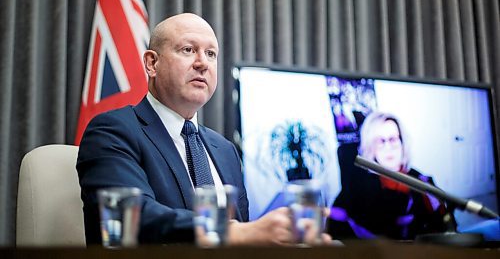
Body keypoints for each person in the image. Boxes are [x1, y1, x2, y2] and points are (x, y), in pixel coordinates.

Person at [77, 13, 327, 246]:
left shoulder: (225, 150)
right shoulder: (113, 131)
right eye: (188, 50)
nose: (202, 63)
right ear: (152, 63)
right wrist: (232, 231)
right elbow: (130, 217)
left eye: (211, 54)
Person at [327, 111, 456, 240]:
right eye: (380, 141)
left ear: (402, 143)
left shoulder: (422, 181)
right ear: (371, 147)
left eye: (393, 139)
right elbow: (336, 223)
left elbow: (446, 225)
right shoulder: (356, 184)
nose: (388, 147)